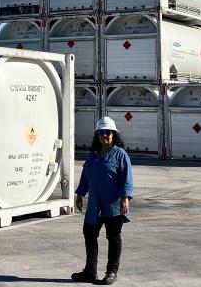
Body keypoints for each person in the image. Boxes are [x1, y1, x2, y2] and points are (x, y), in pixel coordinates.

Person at [71, 116, 133, 285]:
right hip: (94, 205)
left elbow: (126, 178)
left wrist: (125, 198)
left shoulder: (120, 155)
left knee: (113, 237)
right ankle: (90, 272)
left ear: (113, 134)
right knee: (89, 233)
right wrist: (80, 193)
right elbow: (86, 175)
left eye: (107, 133)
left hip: (113, 205)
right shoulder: (92, 156)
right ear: (97, 135)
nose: (104, 136)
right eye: (101, 133)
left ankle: (111, 272)